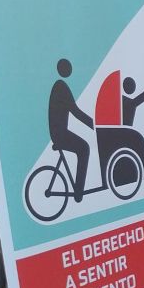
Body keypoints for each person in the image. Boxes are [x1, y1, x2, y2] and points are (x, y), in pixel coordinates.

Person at [48, 58, 95, 202]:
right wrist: (94, 124)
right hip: (59, 133)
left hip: (59, 132)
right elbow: (75, 111)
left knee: (83, 147)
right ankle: (79, 193)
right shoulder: (61, 87)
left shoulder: (60, 85)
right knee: (84, 148)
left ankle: (78, 190)